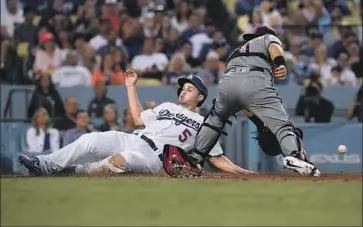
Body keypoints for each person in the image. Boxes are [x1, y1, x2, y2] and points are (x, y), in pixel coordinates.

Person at [18, 72, 252, 176]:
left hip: (153, 158)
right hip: (133, 137)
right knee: (90, 139)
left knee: (118, 162)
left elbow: (216, 158)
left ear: (200, 97)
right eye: (183, 88)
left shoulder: (204, 123)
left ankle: (73, 172)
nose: (183, 91)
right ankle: (45, 163)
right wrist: (131, 87)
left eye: (190, 89)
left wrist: (245, 173)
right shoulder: (167, 107)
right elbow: (139, 118)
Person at [183, 26, 321, 177]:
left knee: (214, 121)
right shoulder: (267, 38)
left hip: (227, 83)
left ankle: (195, 159)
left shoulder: (235, 52)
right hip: (255, 80)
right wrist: (280, 62)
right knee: (283, 126)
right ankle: (294, 156)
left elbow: (243, 100)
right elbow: (274, 46)